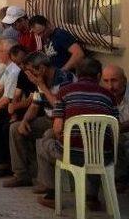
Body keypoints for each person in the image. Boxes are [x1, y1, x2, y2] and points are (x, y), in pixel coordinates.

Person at [35, 58, 118, 211]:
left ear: (78, 75)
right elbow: (113, 129)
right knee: (93, 146)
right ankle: (92, 197)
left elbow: (57, 128)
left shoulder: (65, 92)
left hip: (72, 155)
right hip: (104, 155)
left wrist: (60, 137)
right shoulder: (109, 96)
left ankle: (51, 194)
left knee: (42, 143)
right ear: (99, 76)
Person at [4, 52, 74, 189]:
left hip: (65, 122)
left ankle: (46, 184)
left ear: (41, 68)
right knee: (15, 128)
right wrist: (24, 121)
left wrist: (42, 86)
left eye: (30, 71)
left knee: (47, 135)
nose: (28, 76)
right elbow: (35, 105)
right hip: (48, 118)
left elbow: (60, 106)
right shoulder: (40, 81)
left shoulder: (64, 78)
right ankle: (21, 175)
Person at [101, 65, 129, 184]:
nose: (110, 86)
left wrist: (116, 128)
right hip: (121, 135)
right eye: (106, 81)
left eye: (114, 80)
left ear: (124, 80)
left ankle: (122, 177)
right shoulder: (104, 94)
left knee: (117, 142)